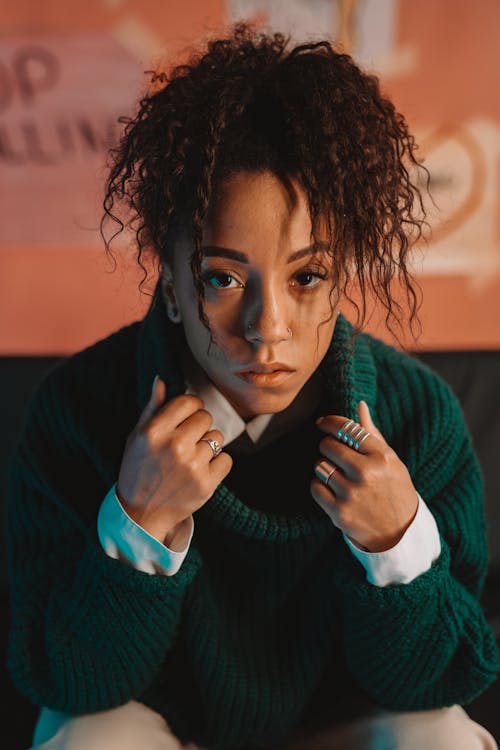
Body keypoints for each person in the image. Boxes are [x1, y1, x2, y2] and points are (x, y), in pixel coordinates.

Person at [6, 21, 500, 750]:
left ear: (343, 277)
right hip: (158, 724)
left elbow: (444, 682)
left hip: (346, 721)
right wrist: (135, 525)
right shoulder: (77, 412)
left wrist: (394, 545)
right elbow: (65, 685)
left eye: (307, 277)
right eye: (222, 278)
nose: (268, 328)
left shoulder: (417, 413)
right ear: (171, 282)